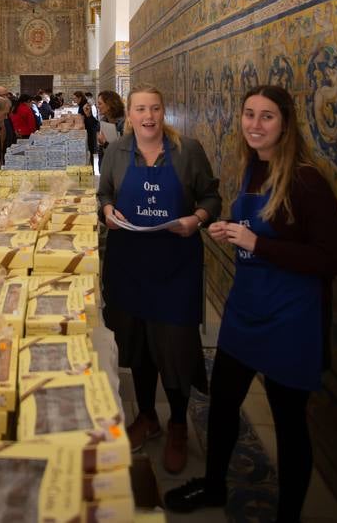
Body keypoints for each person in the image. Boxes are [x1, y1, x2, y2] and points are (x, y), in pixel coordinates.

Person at [165, 85, 337, 522]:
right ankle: (214, 486)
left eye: (266, 117)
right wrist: (229, 229)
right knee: (224, 403)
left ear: (285, 123)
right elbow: (255, 232)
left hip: (291, 318)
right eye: (249, 115)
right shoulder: (251, 170)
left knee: (288, 422)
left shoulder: (306, 180)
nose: (254, 125)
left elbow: (330, 258)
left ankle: (288, 515)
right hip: (246, 311)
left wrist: (257, 243)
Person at [98, 84, 221, 473]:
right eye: (140, 109)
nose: (148, 116)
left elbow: (211, 198)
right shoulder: (116, 151)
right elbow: (103, 193)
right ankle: (148, 416)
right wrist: (106, 211)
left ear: (164, 111)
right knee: (137, 346)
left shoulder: (188, 151)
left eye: (154, 108)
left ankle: (179, 423)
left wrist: (196, 219)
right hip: (129, 265)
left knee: (176, 347)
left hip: (175, 266)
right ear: (129, 114)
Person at [96, 90, 125, 167]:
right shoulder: (103, 120)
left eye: (100, 103)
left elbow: (124, 151)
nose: (97, 106)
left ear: (109, 105)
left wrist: (105, 143)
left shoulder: (124, 124)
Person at [74, 90, 99, 163]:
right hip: (88, 128)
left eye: (75, 98)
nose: (74, 100)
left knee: (91, 150)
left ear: (80, 98)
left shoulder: (86, 105)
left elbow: (92, 119)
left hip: (90, 129)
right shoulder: (82, 105)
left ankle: (92, 168)